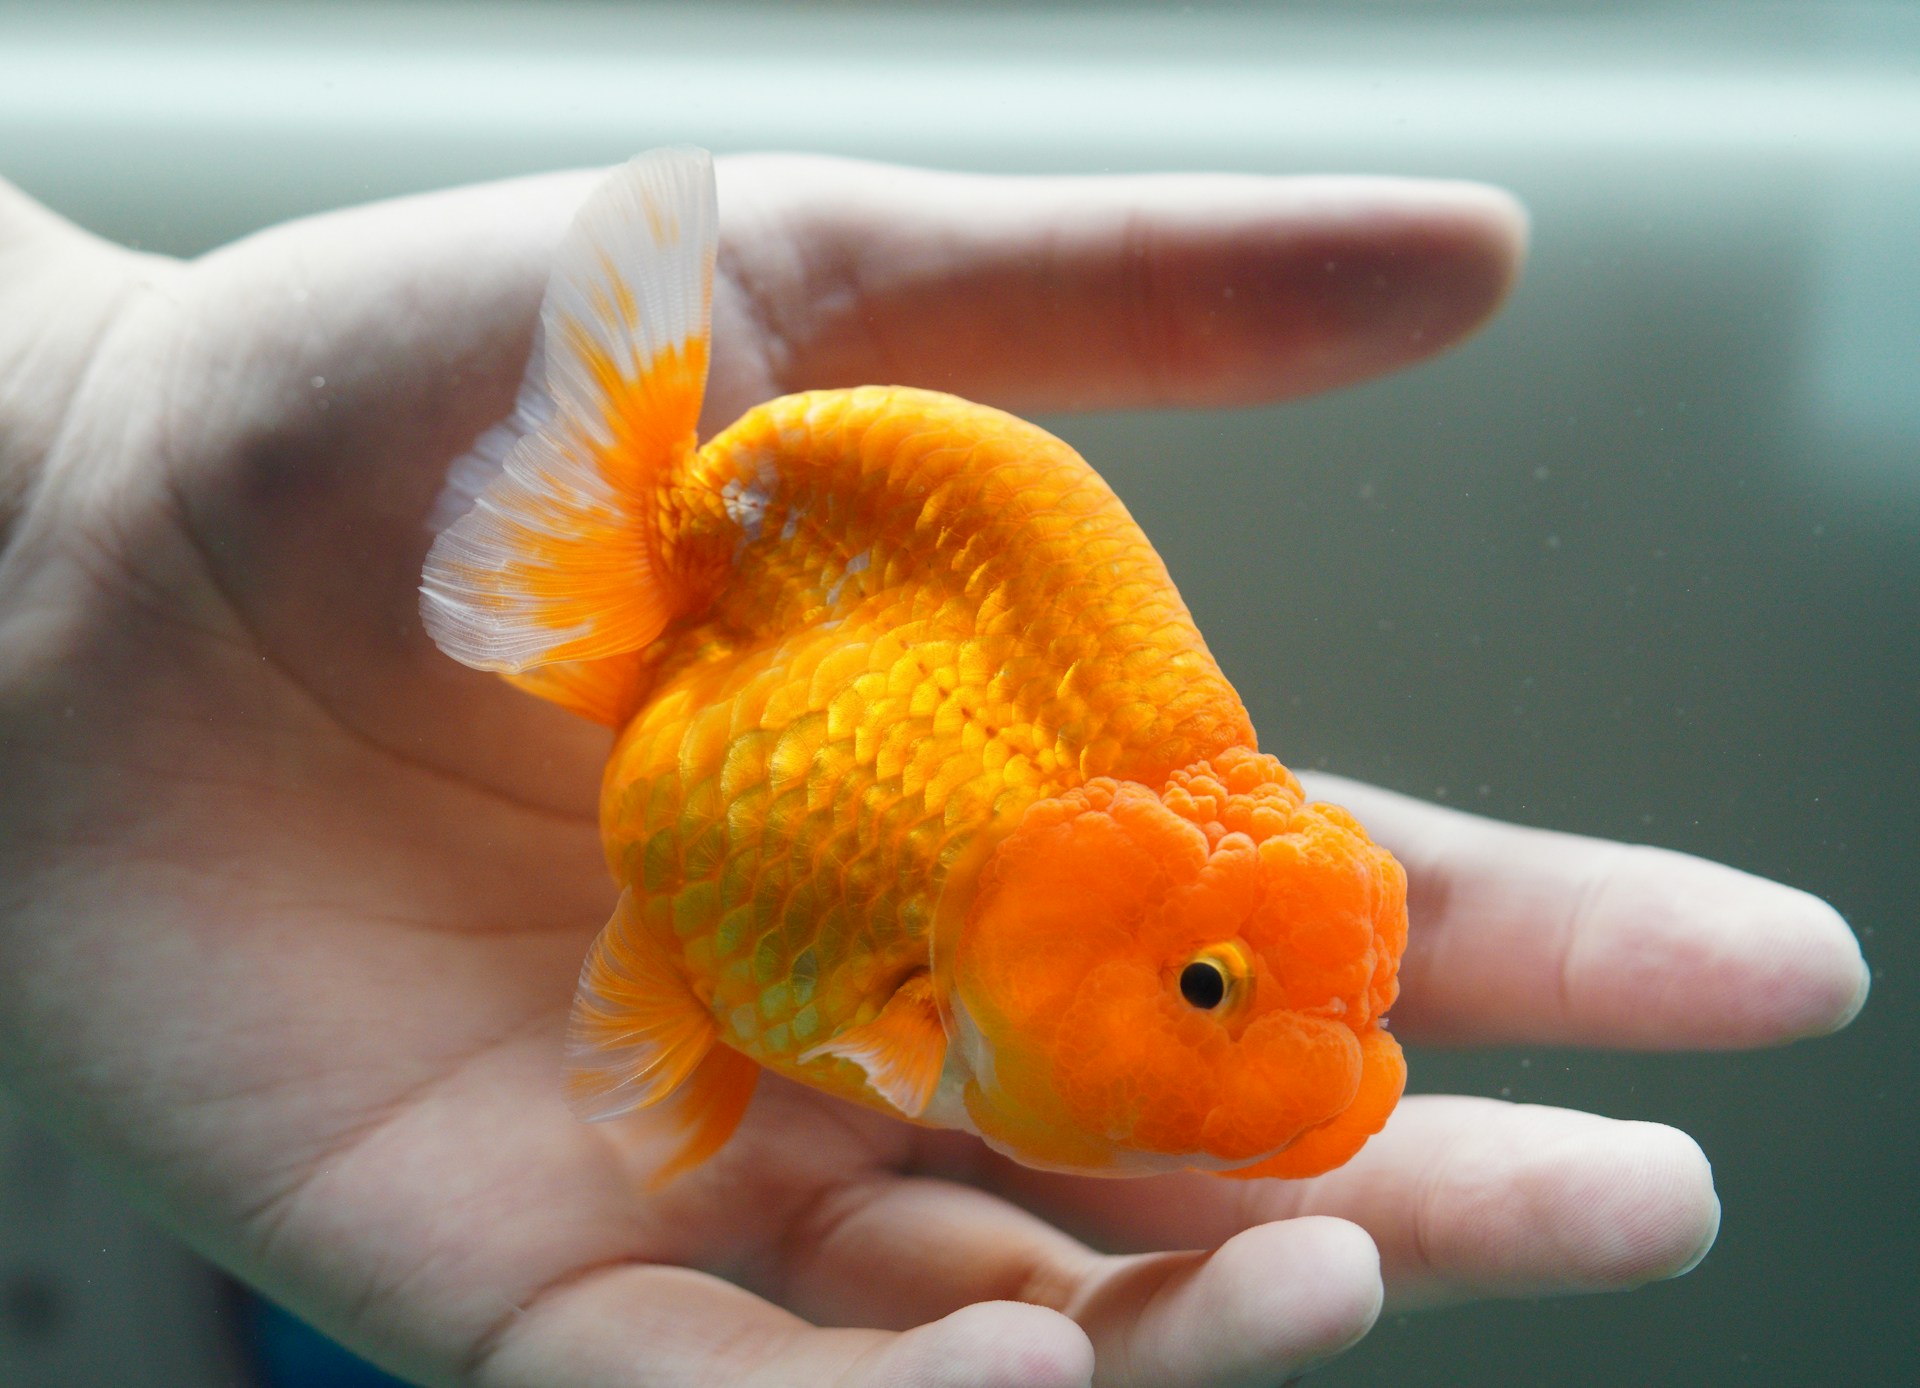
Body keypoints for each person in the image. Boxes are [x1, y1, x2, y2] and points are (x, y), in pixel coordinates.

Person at [0, 155, 1869, 1388]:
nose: (1335, 1069)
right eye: (1211, 991)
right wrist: (79, 460)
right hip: (717, 674)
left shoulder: (1080, 861)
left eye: (1346, 1000)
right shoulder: (915, 954)